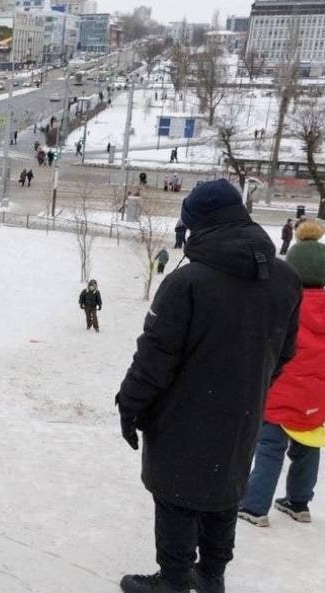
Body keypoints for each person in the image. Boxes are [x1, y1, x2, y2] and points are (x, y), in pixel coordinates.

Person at [114, 180, 302, 593]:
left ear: (198, 226)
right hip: (243, 416)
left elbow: (153, 359)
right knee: (223, 494)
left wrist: (129, 406)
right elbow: (285, 353)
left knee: (176, 496)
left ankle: (175, 580)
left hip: (181, 418)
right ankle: (212, 576)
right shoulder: (285, 279)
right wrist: (247, 389)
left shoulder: (187, 283)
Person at [239, 219, 325, 527]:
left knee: (270, 447)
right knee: (308, 445)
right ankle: (299, 503)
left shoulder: (285, 303)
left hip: (280, 392)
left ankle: (254, 505)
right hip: (316, 397)